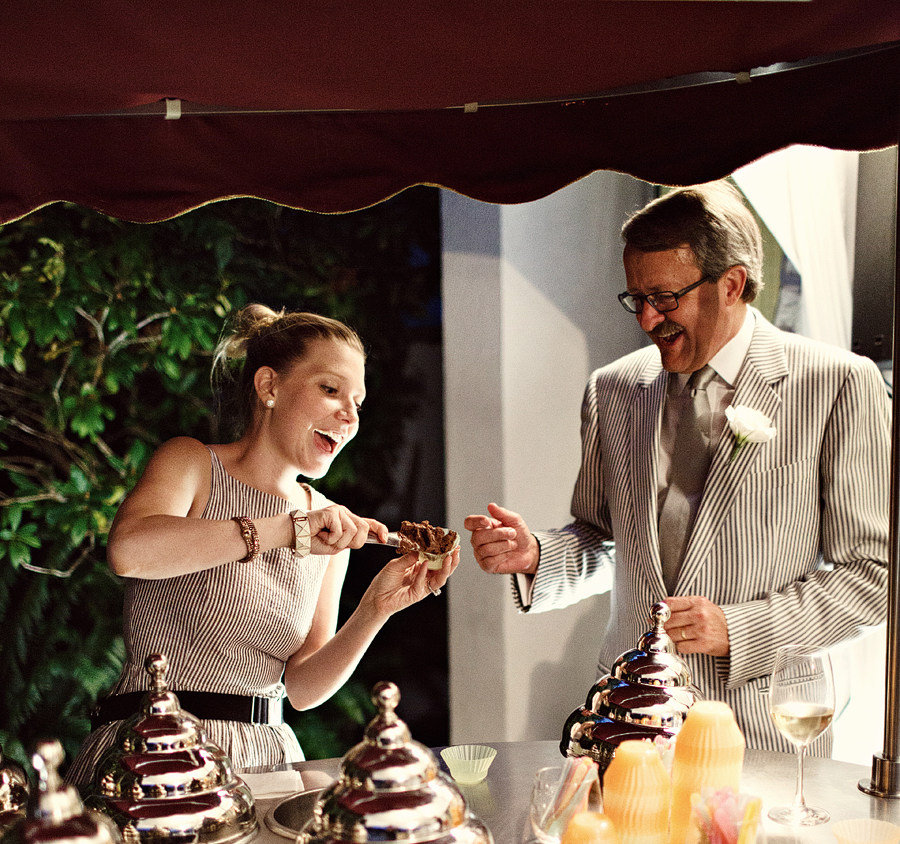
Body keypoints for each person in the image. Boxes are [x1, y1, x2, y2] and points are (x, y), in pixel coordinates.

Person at [464, 182, 890, 750]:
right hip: (625, 728)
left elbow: (874, 575)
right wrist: (538, 556)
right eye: (634, 297)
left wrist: (738, 630)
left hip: (758, 732)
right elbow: (603, 541)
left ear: (732, 285)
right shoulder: (612, 390)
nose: (645, 319)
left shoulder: (837, 383)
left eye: (664, 297)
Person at [69, 305, 458, 780]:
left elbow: (301, 687)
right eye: (330, 389)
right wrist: (287, 529)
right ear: (269, 386)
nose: (349, 414)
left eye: (357, 401)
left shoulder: (325, 524)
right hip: (155, 749)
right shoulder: (192, 464)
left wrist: (376, 607)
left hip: (267, 762)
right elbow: (130, 552)